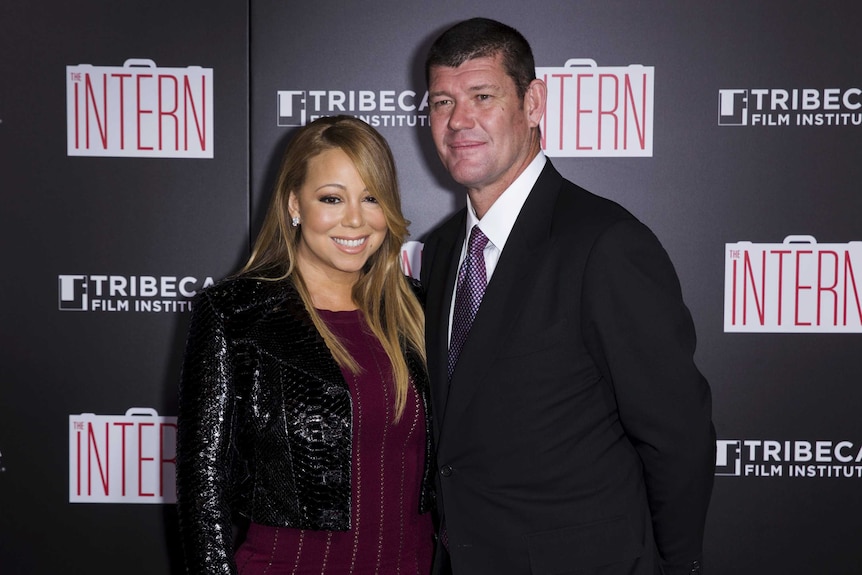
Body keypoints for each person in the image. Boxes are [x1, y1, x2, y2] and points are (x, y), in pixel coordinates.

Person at [419, 17, 716, 575]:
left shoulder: (605, 243)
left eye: (482, 96)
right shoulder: (438, 253)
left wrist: (678, 568)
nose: (459, 121)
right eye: (441, 102)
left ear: (534, 103)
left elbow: (677, 436)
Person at [176, 115, 435, 575]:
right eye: (331, 198)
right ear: (294, 204)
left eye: (371, 197)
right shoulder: (238, 313)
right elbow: (203, 485)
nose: (355, 219)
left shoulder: (419, 310)